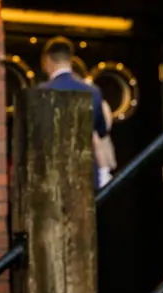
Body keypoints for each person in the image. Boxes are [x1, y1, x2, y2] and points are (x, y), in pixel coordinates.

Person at [41, 36, 112, 188]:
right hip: (85, 176)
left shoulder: (41, 93)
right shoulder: (93, 92)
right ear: (70, 59)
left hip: (51, 177)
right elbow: (101, 131)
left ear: (47, 60)